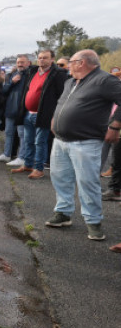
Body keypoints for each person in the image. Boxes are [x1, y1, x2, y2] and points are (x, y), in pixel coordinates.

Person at [46, 50, 121, 241]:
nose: (68, 65)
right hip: (61, 140)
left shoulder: (105, 80)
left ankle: (93, 221)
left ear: (81, 63)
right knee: (60, 178)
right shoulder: (70, 81)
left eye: (71, 62)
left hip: (86, 142)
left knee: (88, 182)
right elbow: (62, 102)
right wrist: (55, 118)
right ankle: (63, 213)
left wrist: (115, 125)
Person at [11, 50, 67, 180]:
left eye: (45, 58)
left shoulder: (57, 74)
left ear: (52, 59)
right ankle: (28, 165)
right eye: (40, 57)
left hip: (43, 114)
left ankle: (39, 169)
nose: (41, 60)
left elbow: (61, 95)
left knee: (40, 142)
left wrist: (55, 114)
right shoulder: (33, 71)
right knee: (28, 141)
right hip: (28, 113)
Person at [0, 54, 31, 165]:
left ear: (28, 63)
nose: (20, 64)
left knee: (22, 135)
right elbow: (4, 91)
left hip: (22, 111)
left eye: (22, 62)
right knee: (8, 133)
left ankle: (21, 157)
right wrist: (12, 82)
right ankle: (6, 154)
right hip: (10, 110)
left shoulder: (30, 75)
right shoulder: (12, 75)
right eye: (18, 62)